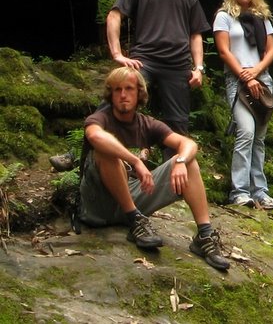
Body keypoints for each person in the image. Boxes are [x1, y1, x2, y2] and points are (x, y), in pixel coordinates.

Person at [78, 67, 231, 271]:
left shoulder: (147, 124)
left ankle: (204, 236)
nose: (123, 95)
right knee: (107, 151)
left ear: (139, 92)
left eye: (129, 89)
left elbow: (188, 144)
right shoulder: (100, 118)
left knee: (188, 161)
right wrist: (135, 160)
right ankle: (135, 219)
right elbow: (95, 136)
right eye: (117, 90)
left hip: (132, 197)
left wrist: (180, 162)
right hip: (97, 204)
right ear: (110, 94)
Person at [106, 0, 210, 154]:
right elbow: (114, 16)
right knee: (119, 99)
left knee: (178, 124)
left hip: (177, 65)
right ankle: (94, 150)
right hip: (144, 60)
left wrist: (199, 68)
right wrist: (117, 53)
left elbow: (195, 34)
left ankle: (172, 179)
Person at [213, 0, 273, 209]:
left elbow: (271, 51)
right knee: (246, 133)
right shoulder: (224, 17)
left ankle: (260, 192)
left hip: (262, 80)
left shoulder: (262, 17)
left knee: (259, 139)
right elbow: (224, 51)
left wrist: (256, 72)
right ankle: (239, 191)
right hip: (238, 80)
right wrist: (244, 75)